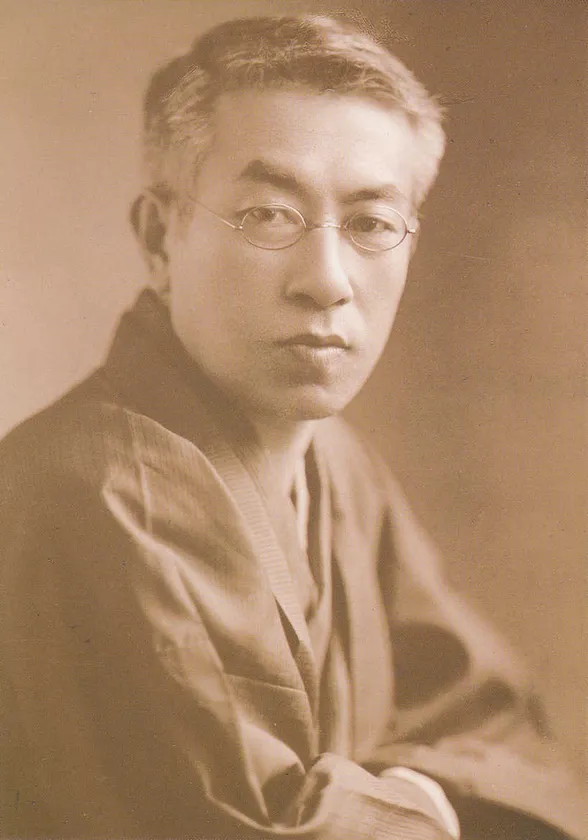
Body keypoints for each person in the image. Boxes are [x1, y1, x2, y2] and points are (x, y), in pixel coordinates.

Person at [0, 14, 584, 840]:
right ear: (160, 238)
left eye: (371, 223)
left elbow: (495, 725)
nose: (328, 280)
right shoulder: (90, 492)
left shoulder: (337, 464)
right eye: (269, 215)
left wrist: (401, 797)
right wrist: (415, 801)